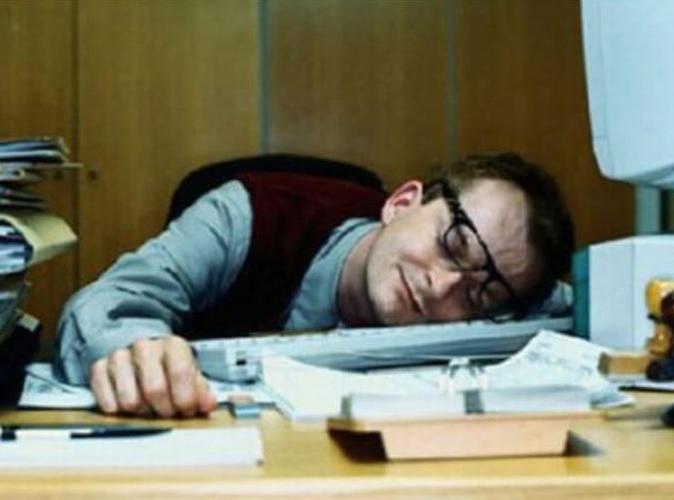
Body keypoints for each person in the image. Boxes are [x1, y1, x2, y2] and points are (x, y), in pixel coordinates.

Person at [55, 152, 574, 418]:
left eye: (480, 293)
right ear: (401, 203)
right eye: (452, 244)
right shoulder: (246, 214)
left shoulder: (496, 297)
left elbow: (567, 303)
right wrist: (135, 353)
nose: (441, 286)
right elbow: (107, 303)